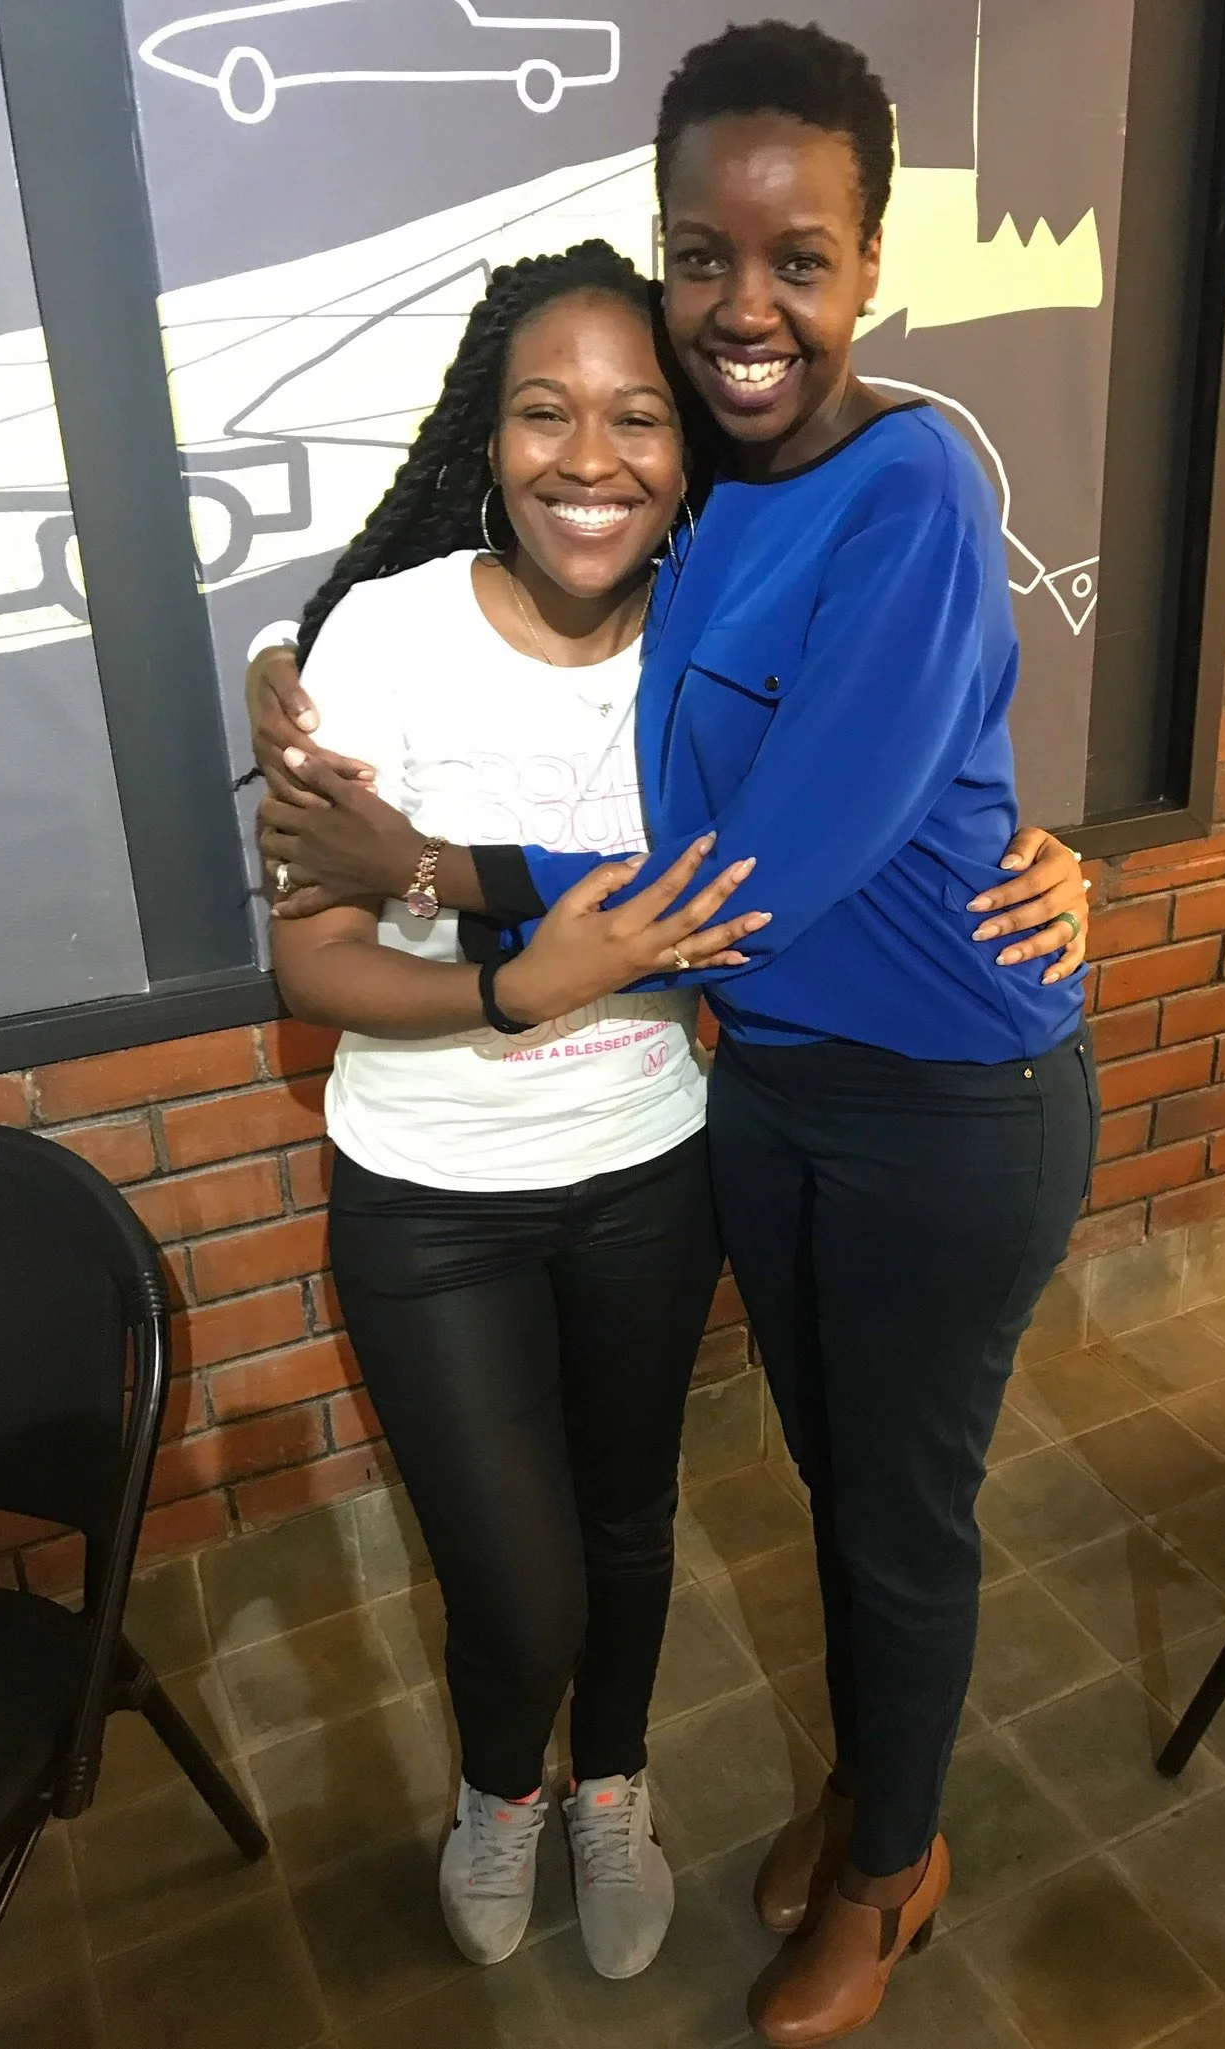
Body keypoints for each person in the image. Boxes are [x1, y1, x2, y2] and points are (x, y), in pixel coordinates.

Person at [249, 25, 1098, 2045]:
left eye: (797, 260)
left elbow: (760, 873)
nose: (743, 307)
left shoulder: (906, 488)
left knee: (898, 1518)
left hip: (941, 1107)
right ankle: (859, 1786)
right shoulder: (720, 491)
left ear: (871, 264)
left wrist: (452, 875)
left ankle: (893, 1875)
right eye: (702, 256)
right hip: (782, 1096)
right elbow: (503, 505)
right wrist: (289, 653)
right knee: (837, 1485)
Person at [269, 242, 772, 1985]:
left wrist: (1032, 852)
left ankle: (609, 1785)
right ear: (486, 441)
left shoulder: (720, 643)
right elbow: (313, 962)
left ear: (688, 450)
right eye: (544, 412)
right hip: (427, 1199)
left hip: (650, 1166)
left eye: (639, 416)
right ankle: (502, 1791)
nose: (591, 457)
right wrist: (508, 987)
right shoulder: (392, 633)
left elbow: (868, 801)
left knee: (631, 1524)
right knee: (519, 1585)